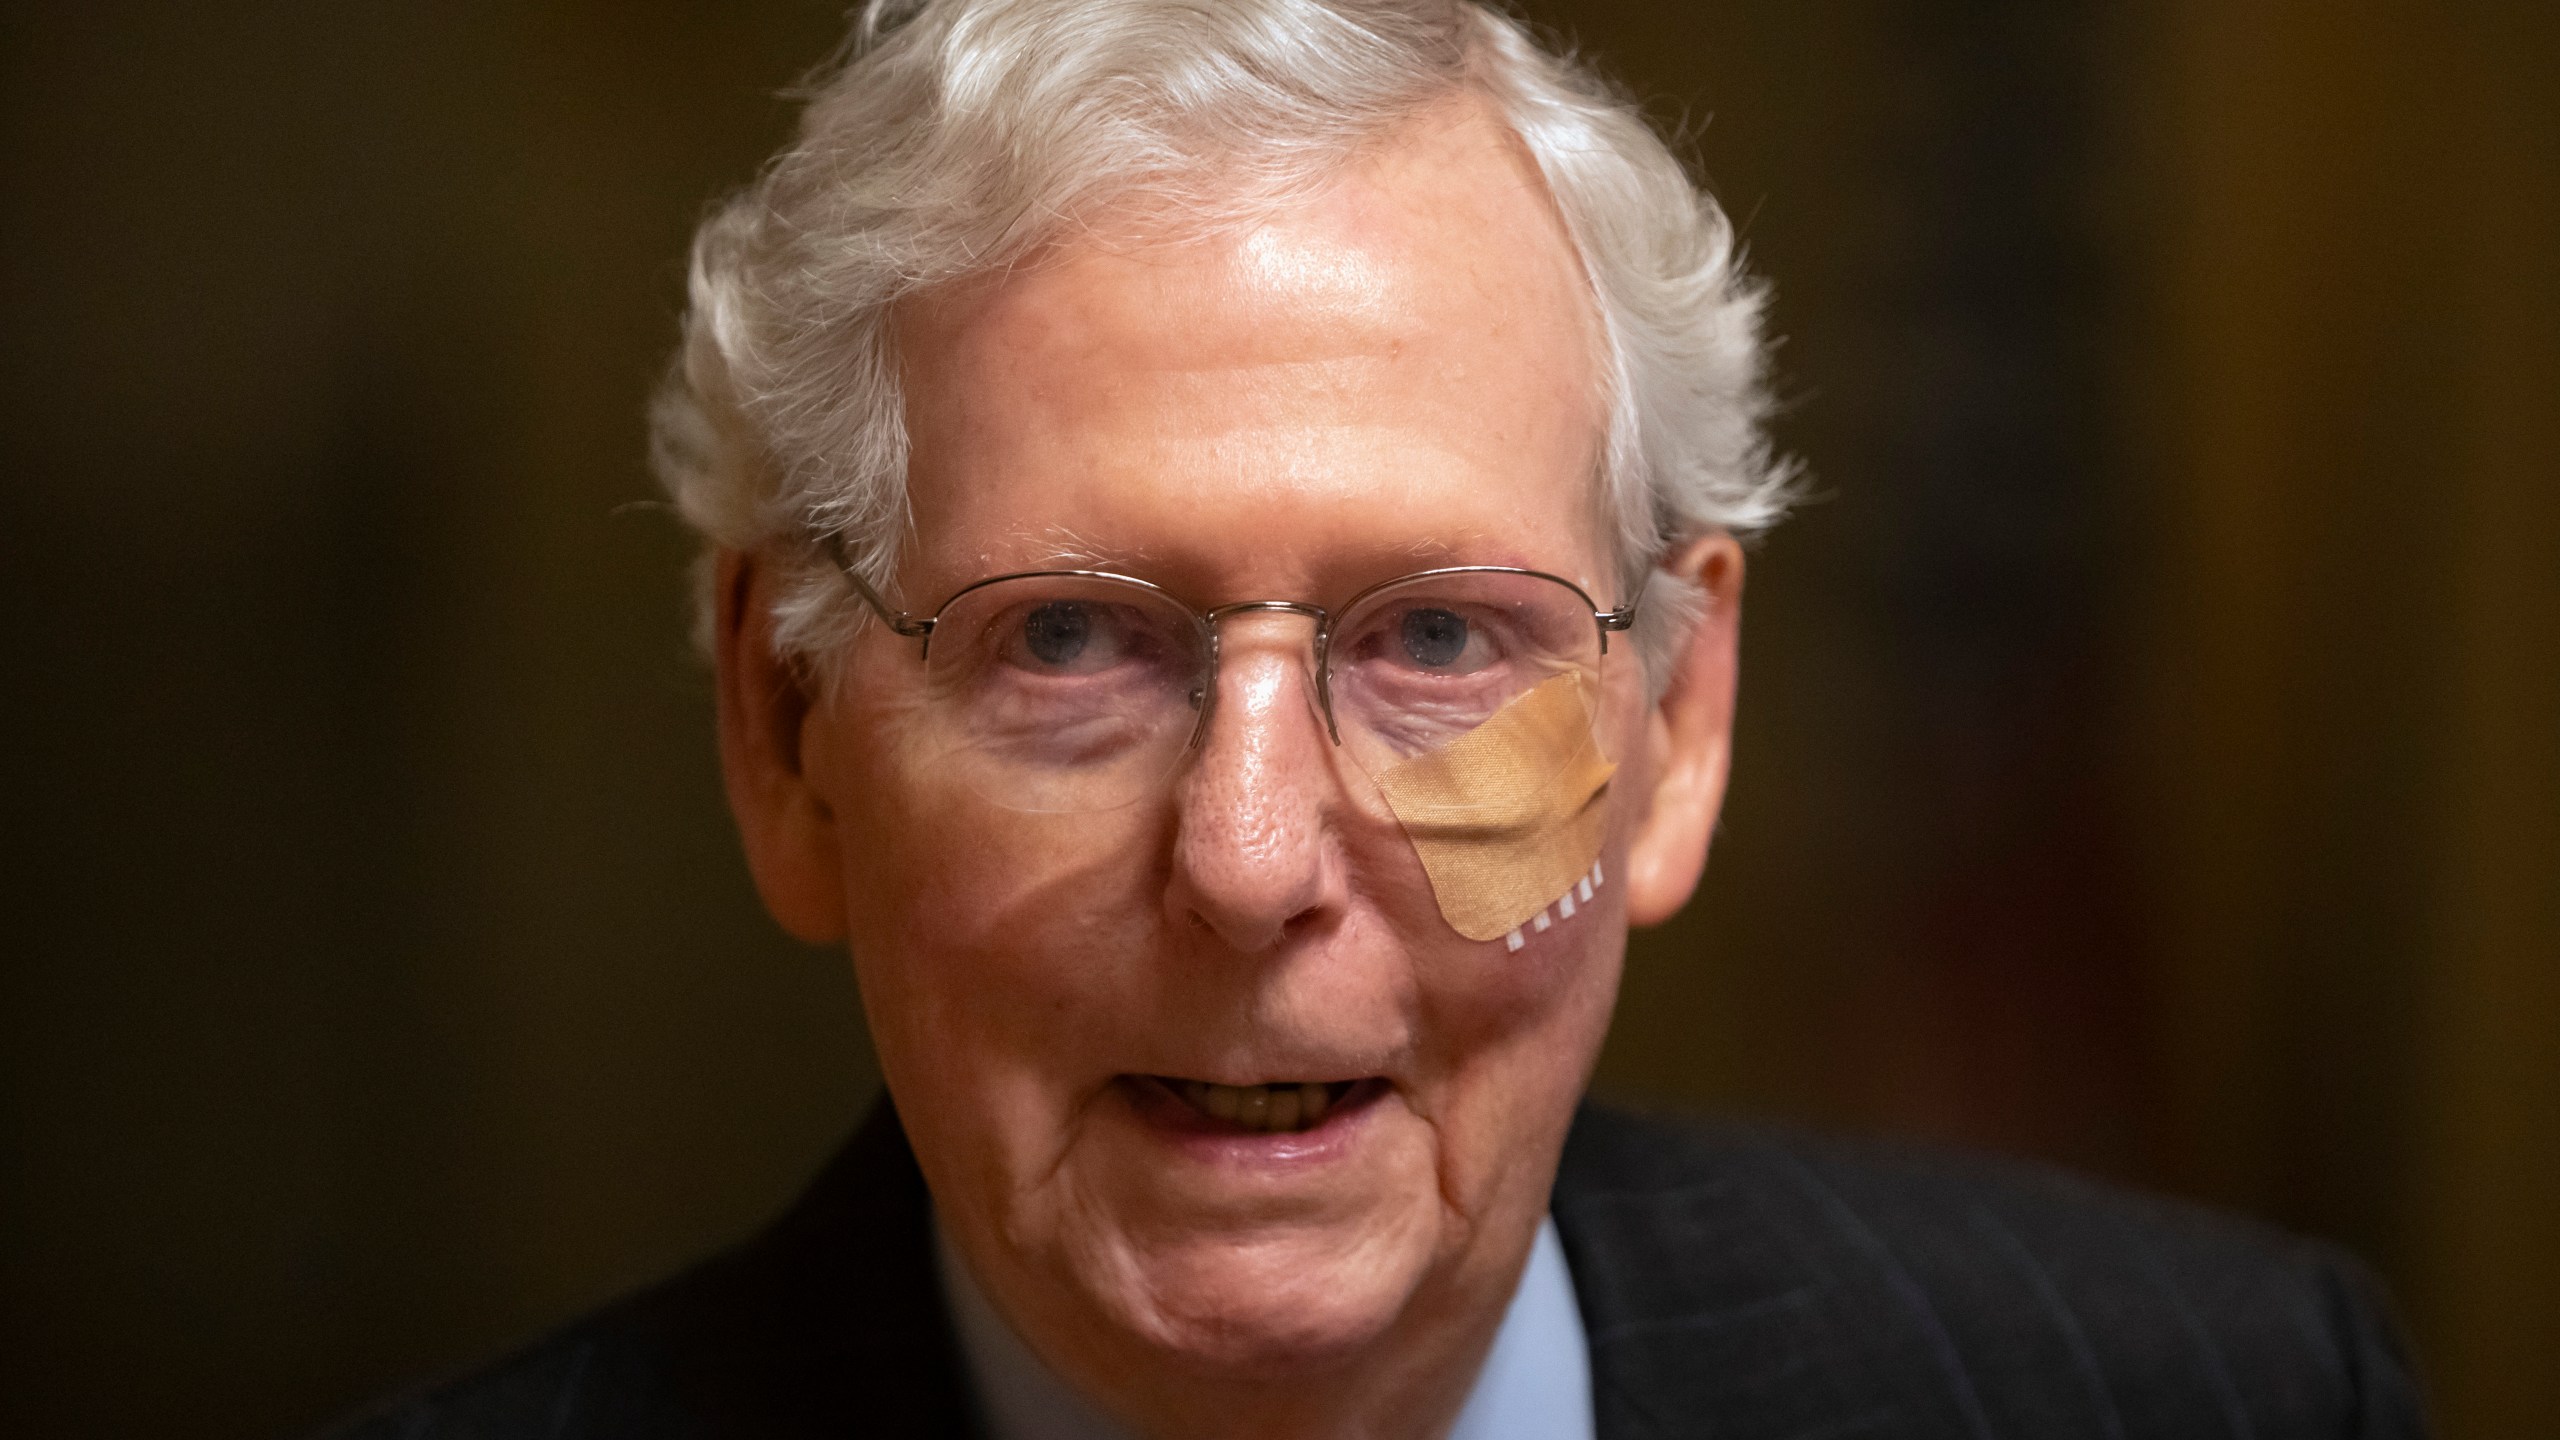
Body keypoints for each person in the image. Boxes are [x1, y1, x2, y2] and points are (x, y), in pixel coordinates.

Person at [325, 2, 2425, 1435]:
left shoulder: (2211, 1399)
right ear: (785, 740)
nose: (1249, 862)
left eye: (1432, 640)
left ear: (1677, 721)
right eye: (1066, 642)